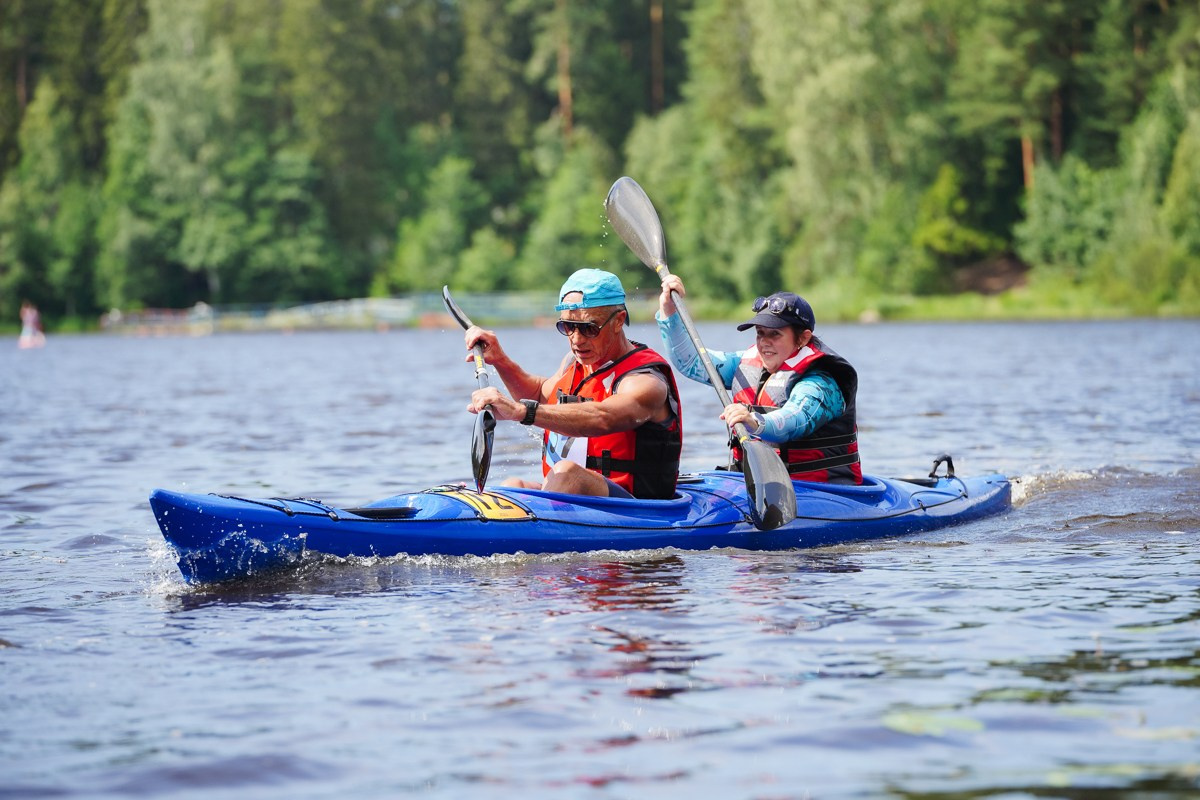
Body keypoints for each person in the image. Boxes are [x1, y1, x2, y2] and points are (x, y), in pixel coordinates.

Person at [464, 268, 683, 499]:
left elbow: (602, 417)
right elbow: (539, 396)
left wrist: (520, 411)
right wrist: (500, 360)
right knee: (513, 484)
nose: (577, 340)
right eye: (568, 327)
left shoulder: (646, 381)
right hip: (578, 499)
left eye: (589, 328)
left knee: (567, 474)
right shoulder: (574, 363)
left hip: (640, 510)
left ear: (618, 321)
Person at [656, 276, 862, 485]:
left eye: (775, 334)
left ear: (803, 338)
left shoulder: (821, 383)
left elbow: (795, 421)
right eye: (760, 333)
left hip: (823, 491)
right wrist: (669, 312)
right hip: (761, 484)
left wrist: (753, 421)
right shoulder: (746, 365)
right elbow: (690, 362)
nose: (764, 342)